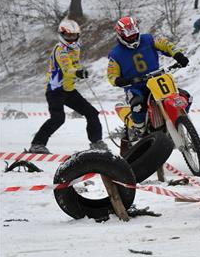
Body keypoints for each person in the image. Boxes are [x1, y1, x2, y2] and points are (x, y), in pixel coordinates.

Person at [29, 19, 106, 154]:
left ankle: (96, 142)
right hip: (55, 90)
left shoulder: (75, 48)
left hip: (69, 90)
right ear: (62, 34)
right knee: (58, 118)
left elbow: (75, 65)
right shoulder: (61, 50)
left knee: (91, 113)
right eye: (68, 36)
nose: (71, 39)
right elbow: (67, 69)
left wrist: (81, 71)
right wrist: (77, 72)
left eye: (74, 36)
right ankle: (37, 144)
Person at [107, 16, 189, 141]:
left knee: (185, 96)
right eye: (129, 37)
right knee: (138, 105)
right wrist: (121, 81)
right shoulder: (115, 54)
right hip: (136, 86)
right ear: (121, 36)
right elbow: (112, 75)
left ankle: (179, 120)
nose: (132, 38)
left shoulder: (149, 39)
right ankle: (139, 131)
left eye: (134, 35)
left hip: (157, 80)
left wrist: (178, 55)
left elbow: (166, 45)